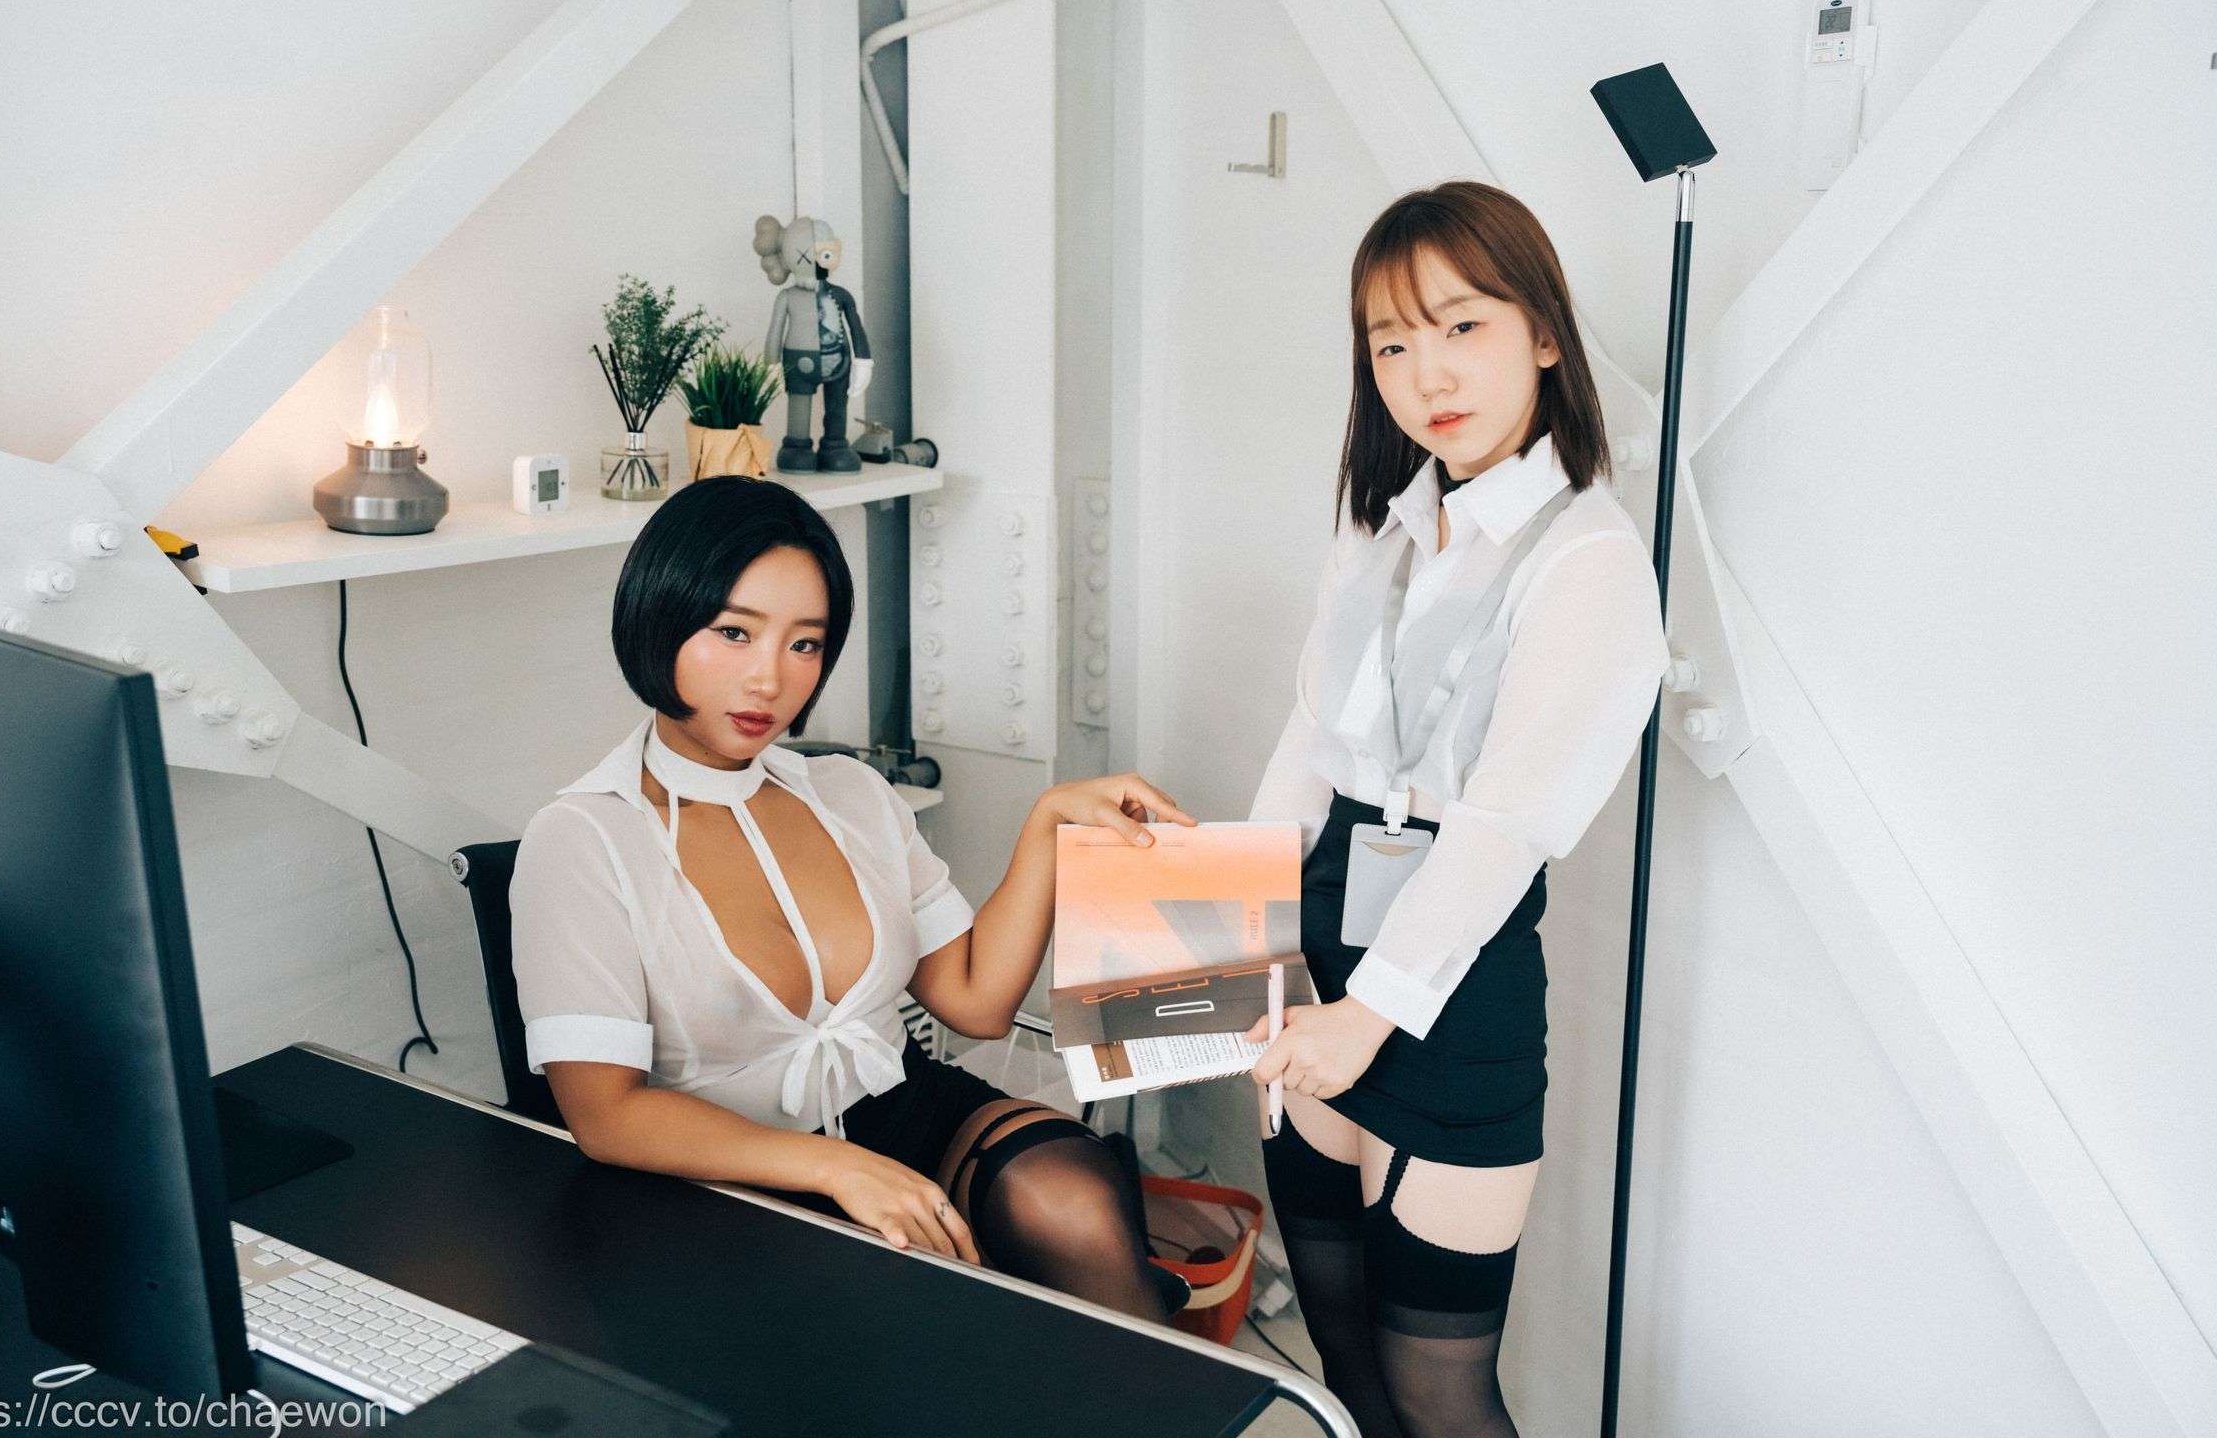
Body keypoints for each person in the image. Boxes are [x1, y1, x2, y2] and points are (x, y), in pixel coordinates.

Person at [511, 475, 1192, 1320]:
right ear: (659, 618)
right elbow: (606, 1116)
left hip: (903, 1112)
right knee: (882, 1313)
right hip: (720, 1169)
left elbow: (975, 1002)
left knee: (1075, 1204)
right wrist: (837, 1168)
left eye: (805, 644)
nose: (770, 679)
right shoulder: (582, 839)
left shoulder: (850, 793)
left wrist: (1049, 825)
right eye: (734, 632)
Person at [1244, 183, 1669, 1436]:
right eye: (1390, 343)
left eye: (1461, 327)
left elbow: (1505, 829)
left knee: (1439, 1389)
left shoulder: (1589, 558)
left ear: (1543, 334)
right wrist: (1235, 940)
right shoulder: (1379, 527)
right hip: (1316, 936)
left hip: (1448, 971)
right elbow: (1309, 744)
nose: (1424, 373)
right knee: (1341, 1353)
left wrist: (1367, 1019)